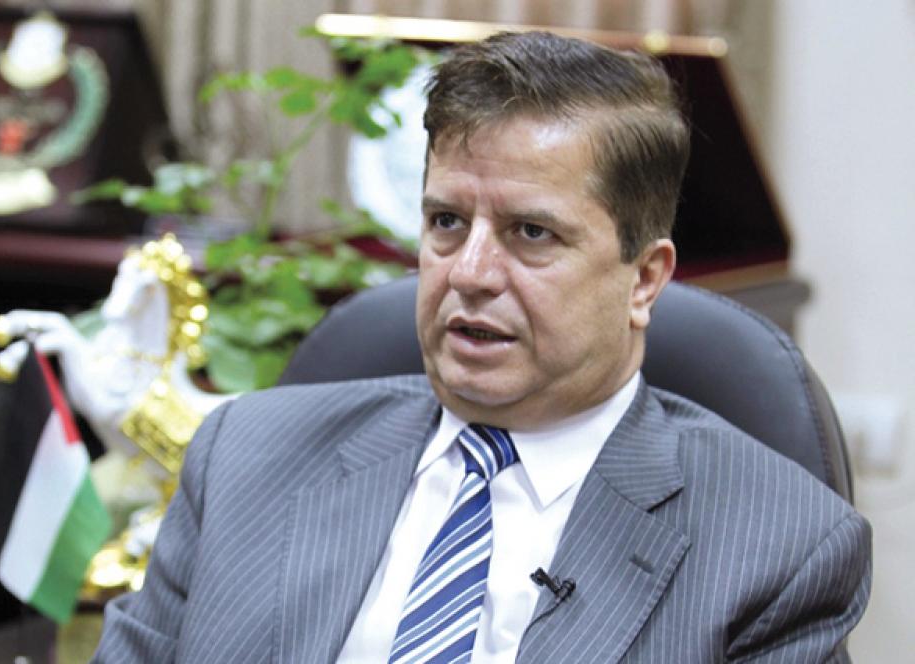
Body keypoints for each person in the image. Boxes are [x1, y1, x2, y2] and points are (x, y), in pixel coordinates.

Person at [93, 31, 870, 663]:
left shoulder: (779, 547)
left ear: (643, 280)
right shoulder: (247, 456)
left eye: (531, 233)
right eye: (446, 223)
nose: (468, 273)